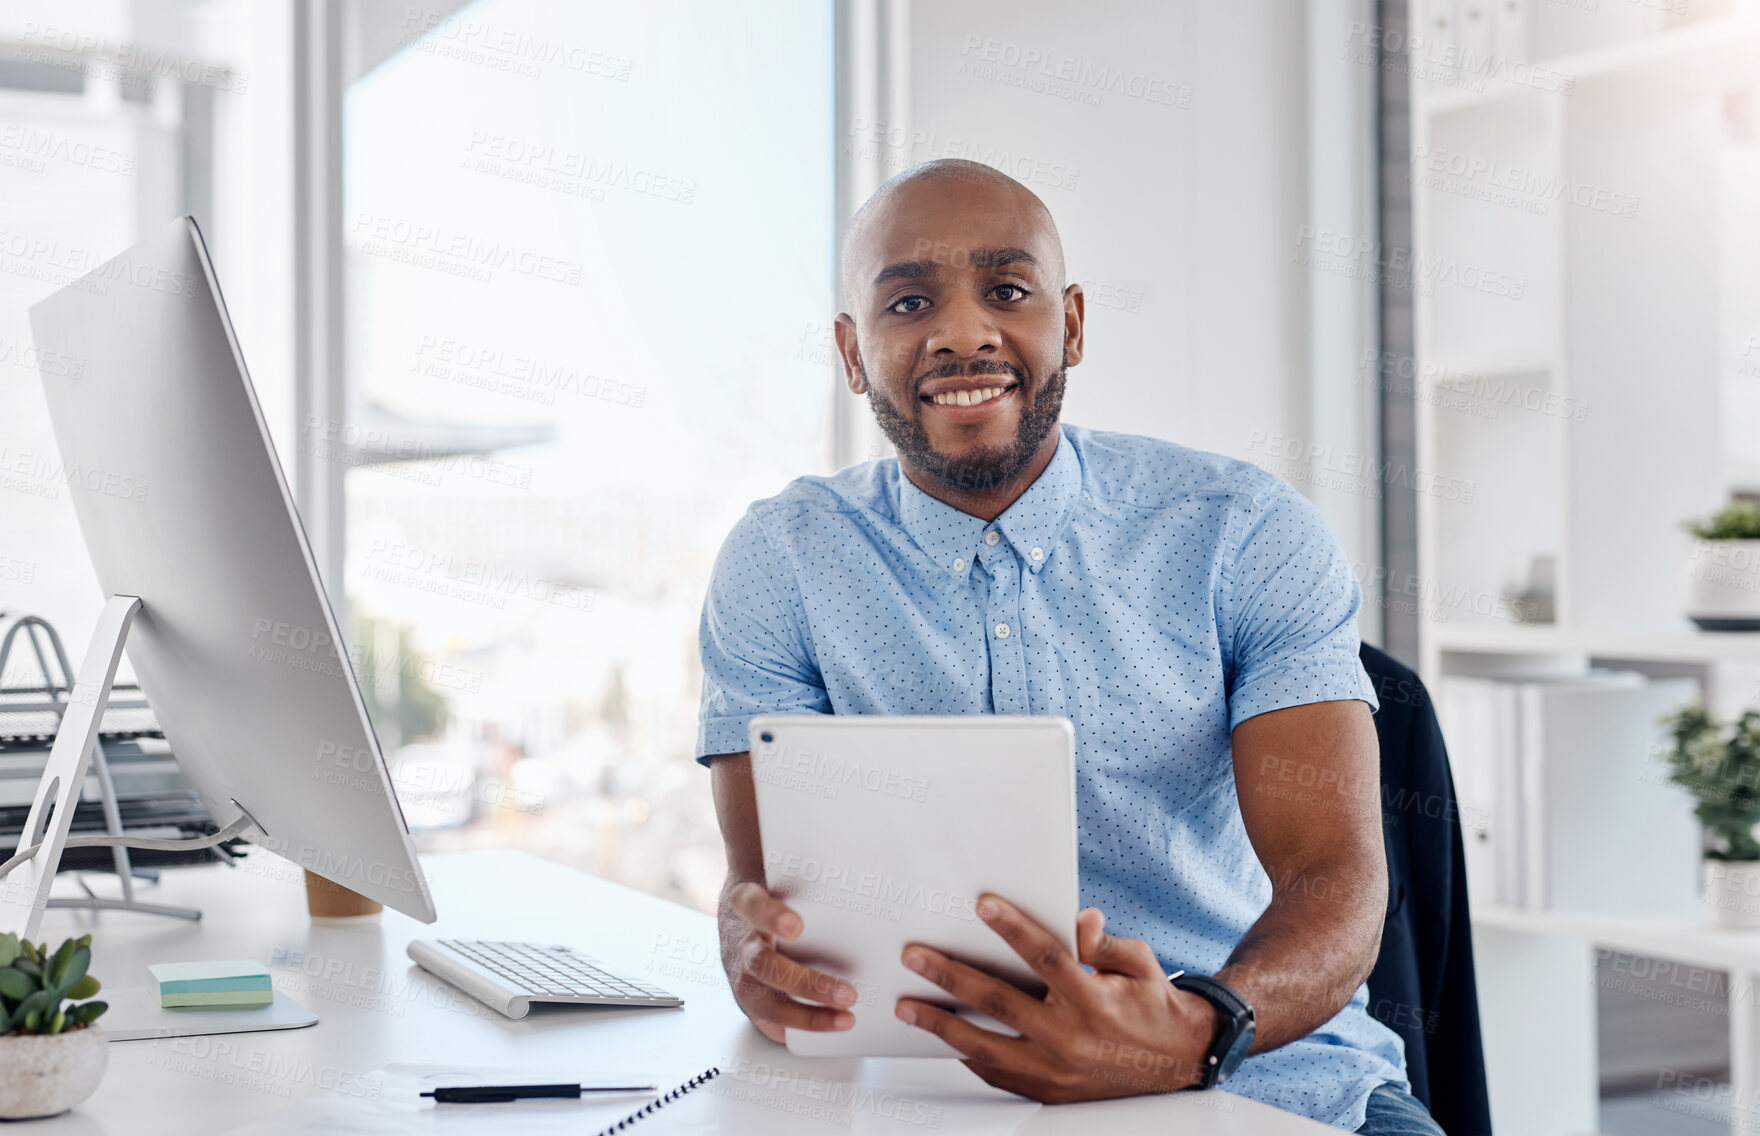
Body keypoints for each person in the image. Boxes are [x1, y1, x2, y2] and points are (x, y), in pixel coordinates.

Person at [695, 158, 1444, 1135]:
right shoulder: (781, 559)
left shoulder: (1240, 530)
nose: (961, 334)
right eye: (909, 301)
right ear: (850, 351)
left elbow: (1335, 878)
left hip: (1252, 1070)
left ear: (1072, 322)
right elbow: (766, 890)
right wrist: (750, 945)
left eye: (1006, 290)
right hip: (919, 1085)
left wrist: (1185, 1030)